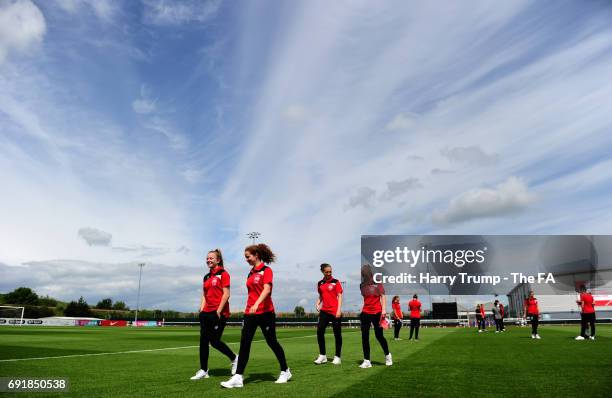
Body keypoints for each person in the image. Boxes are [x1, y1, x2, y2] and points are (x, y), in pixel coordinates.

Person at [221, 244, 291, 388]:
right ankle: (238, 377)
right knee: (244, 343)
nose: (246, 259)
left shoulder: (267, 270)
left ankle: (285, 371)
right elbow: (252, 293)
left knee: (272, 342)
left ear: (256, 255)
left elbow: (267, 289)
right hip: (250, 313)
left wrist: (257, 304)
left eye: (248, 256)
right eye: (245, 257)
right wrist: (251, 306)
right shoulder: (250, 273)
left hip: (265, 313)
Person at [191, 249, 238, 380]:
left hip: (219, 312)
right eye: (207, 258)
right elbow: (204, 295)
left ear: (218, 260)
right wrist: (201, 310)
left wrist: (218, 311)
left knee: (215, 341)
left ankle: (234, 358)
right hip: (206, 313)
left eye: (211, 258)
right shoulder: (206, 277)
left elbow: (226, 294)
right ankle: (204, 370)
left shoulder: (224, 274)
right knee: (203, 341)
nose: (208, 260)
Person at [358, 264, 392, 368]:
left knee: (379, 336)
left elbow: (383, 296)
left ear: (369, 273)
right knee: (365, 337)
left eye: (365, 272)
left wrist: (384, 309)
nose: (364, 274)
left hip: (377, 312)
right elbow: (365, 299)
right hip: (365, 313)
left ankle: (387, 355)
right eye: (362, 273)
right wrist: (362, 309)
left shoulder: (377, 283)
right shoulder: (362, 285)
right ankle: (367, 360)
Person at [314, 263, 343, 365]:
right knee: (319, 331)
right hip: (324, 311)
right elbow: (321, 295)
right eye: (327, 272)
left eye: (330, 271)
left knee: (337, 334)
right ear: (322, 272)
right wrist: (318, 302)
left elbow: (340, 296)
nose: (329, 273)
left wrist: (339, 310)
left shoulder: (336, 282)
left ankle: (337, 356)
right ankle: (322, 355)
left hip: (335, 312)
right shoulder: (320, 283)